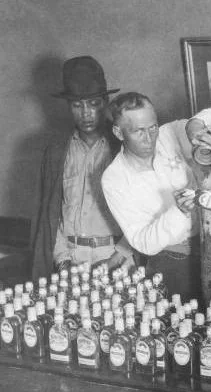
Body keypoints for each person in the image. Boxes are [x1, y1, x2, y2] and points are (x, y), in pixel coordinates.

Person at [31, 56, 133, 280]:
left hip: (116, 259)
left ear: (105, 102)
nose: (86, 113)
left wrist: (119, 256)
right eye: (77, 105)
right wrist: (62, 260)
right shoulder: (57, 151)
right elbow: (51, 213)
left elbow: (143, 211)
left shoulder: (123, 149)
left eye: (93, 103)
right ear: (68, 106)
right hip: (70, 260)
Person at [101, 92, 201, 302]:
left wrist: (197, 127)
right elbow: (142, 242)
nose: (150, 138)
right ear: (118, 133)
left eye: (152, 127)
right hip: (172, 264)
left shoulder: (167, 135)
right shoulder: (114, 179)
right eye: (138, 132)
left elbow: (209, 118)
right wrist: (179, 211)